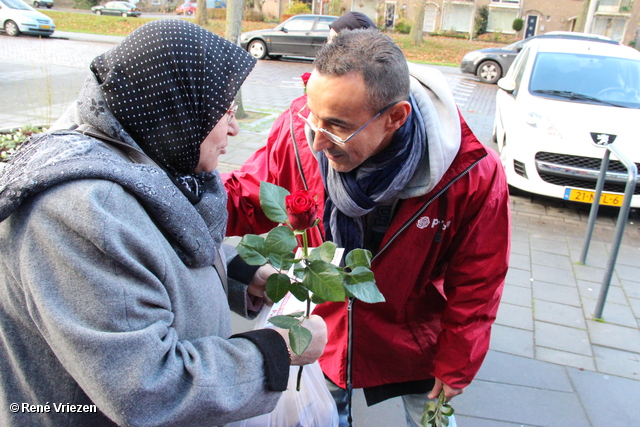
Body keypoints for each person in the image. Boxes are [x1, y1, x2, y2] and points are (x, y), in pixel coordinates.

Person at [0, 20, 327, 427]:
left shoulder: (147, 165)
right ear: (173, 108)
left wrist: (240, 273)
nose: (235, 126)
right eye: (221, 109)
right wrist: (279, 352)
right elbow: (148, 389)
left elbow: (150, 255)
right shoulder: (77, 213)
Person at [223, 28, 510, 427]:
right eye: (312, 114)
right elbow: (247, 197)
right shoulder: (300, 133)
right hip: (322, 329)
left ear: (395, 117)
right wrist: (174, 198)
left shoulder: (471, 173)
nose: (317, 140)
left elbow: (479, 279)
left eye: (337, 126)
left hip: (411, 340)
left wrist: (457, 363)